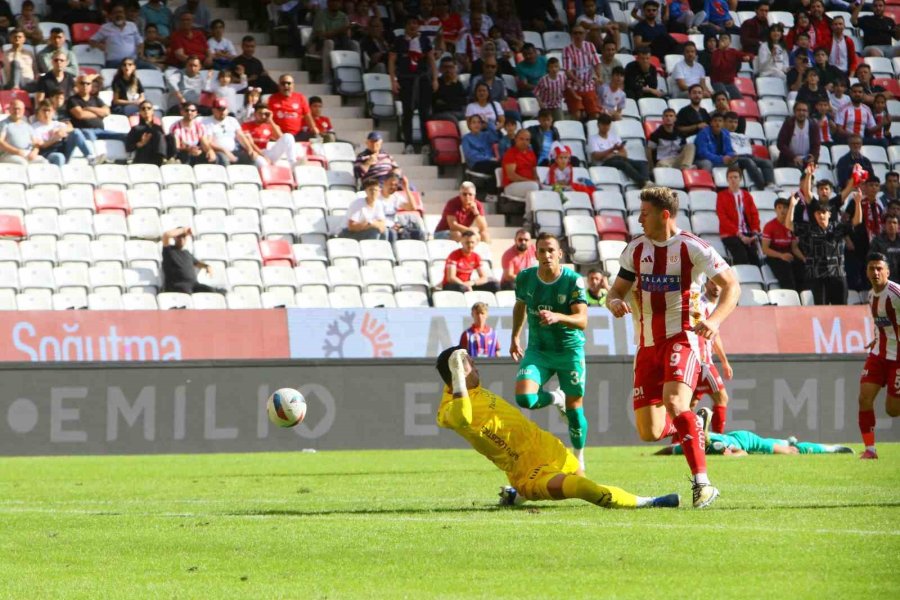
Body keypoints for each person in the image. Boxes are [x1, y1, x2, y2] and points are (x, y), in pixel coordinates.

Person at [606, 186, 740, 508]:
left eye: (645, 213)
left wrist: (716, 321)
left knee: (676, 401)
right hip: (646, 345)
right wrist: (613, 302)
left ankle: (703, 485)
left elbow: (731, 285)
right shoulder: (635, 250)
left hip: (682, 337)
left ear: (664, 215)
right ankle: (695, 423)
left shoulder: (693, 248)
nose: (639, 219)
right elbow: (617, 290)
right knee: (649, 432)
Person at [436, 346, 680, 508]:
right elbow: (464, 418)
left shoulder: (477, 390)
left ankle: (514, 496)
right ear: (457, 373)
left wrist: (461, 377)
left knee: (585, 481)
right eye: (470, 365)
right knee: (582, 487)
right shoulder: (448, 409)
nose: (477, 367)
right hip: (529, 473)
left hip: (549, 448)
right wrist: (458, 379)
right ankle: (650, 502)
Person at [509, 233, 589, 469]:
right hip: (539, 349)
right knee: (525, 398)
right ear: (535, 254)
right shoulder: (525, 278)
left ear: (560, 254)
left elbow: (582, 320)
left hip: (568, 351)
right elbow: (520, 306)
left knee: (575, 413)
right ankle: (556, 397)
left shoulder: (572, 280)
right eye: (542, 251)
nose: (546, 255)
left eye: (551, 250)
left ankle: (579, 456)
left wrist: (558, 317)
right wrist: (515, 336)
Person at [857, 252, 900, 460]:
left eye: (879, 268)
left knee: (892, 410)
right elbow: (881, 322)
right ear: (866, 272)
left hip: (898, 358)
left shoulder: (896, 294)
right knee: (864, 398)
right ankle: (870, 450)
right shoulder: (870, 294)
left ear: (887, 272)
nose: (875, 272)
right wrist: (876, 338)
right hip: (878, 354)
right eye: (872, 268)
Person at [787, 192, 861, 305]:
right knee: (822, 310)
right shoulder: (809, 229)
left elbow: (857, 221)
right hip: (818, 276)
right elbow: (789, 225)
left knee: (841, 309)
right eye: (817, 213)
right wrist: (792, 205)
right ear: (814, 215)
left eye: (823, 213)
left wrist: (858, 203)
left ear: (829, 214)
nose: (821, 215)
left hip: (838, 275)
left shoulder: (838, 228)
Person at [389, 17, 437, 154]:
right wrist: (393, 80)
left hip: (422, 80)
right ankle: (408, 143)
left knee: (424, 112)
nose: (413, 25)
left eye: (415, 23)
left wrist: (435, 79)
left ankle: (425, 144)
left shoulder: (424, 40)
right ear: (406, 26)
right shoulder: (399, 40)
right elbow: (392, 60)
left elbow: (431, 60)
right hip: (405, 80)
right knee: (407, 112)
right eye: (410, 23)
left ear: (419, 26)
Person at [657, 430, 853, 455]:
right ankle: (787, 439)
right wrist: (650, 455)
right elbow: (670, 450)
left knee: (791, 452)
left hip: (746, 441)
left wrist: (731, 457)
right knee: (783, 443)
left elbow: (741, 453)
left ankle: (831, 449)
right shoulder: (691, 444)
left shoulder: (714, 445)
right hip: (735, 436)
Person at [717, 165, 762, 266]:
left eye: (735, 177)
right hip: (730, 234)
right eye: (730, 177)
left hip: (748, 232)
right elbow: (723, 219)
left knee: (755, 259)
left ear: (740, 179)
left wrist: (755, 231)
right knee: (742, 257)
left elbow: (754, 214)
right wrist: (740, 236)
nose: (733, 180)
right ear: (727, 179)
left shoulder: (746, 195)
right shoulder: (721, 196)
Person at [590, 114, 649, 188]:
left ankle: (646, 182)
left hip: (616, 158)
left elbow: (624, 154)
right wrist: (612, 149)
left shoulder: (614, 137)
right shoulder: (593, 139)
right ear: (598, 125)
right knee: (623, 164)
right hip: (604, 163)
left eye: (607, 125)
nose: (606, 127)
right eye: (603, 125)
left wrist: (613, 155)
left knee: (642, 163)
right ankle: (643, 182)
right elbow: (596, 156)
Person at [161, 227, 224, 294]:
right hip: (178, 285)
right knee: (189, 295)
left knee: (212, 291)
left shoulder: (187, 253)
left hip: (194, 285)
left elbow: (197, 263)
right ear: (174, 238)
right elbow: (166, 235)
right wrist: (184, 230)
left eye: (184, 237)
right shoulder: (169, 251)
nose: (182, 239)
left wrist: (207, 266)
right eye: (179, 236)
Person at [90, 4, 154, 70]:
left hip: (132, 61)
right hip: (114, 63)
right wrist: (100, 46)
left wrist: (140, 50)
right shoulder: (105, 28)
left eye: (121, 12)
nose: (118, 15)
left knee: (151, 68)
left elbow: (140, 42)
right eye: (115, 13)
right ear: (111, 15)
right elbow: (92, 41)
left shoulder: (132, 26)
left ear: (125, 14)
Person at [762, 197, 805, 292]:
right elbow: (765, 249)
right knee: (786, 272)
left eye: (785, 207)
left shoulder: (791, 226)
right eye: (779, 207)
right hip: (774, 256)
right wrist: (781, 256)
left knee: (802, 269)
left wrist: (803, 258)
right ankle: (790, 298)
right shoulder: (769, 226)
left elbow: (794, 248)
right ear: (775, 210)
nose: (782, 210)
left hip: (788, 253)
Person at [240, 103, 300, 169]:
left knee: (288, 136)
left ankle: (293, 163)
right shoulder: (246, 125)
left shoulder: (269, 126)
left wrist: (271, 120)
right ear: (255, 113)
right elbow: (250, 144)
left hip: (266, 152)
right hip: (254, 153)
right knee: (264, 164)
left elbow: (282, 138)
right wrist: (264, 157)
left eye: (265, 114)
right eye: (260, 113)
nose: (263, 116)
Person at [309, 0, 354, 85]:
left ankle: (356, 75)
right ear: (328, 3)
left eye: (338, 2)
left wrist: (348, 30)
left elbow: (348, 36)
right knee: (329, 42)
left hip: (338, 44)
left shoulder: (343, 16)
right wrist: (341, 30)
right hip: (317, 46)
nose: (335, 3)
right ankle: (326, 77)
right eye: (333, 1)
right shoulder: (321, 15)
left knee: (354, 44)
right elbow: (321, 35)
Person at [562, 25, 602, 121]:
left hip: (588, 85)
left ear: (585, 34)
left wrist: (599, 76)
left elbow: (597, 63)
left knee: (595, 114)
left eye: (580, 33)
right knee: (577, 115)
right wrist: (576, 80)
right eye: (575, 33)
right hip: (573, 86)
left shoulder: (590, 46)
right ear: (572, 35)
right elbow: (568, 71)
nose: (578, 35)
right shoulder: (567, 50)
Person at [268, 74, 317, 140]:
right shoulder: (272, 99)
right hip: (280, 135)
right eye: (283, 83)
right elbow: (269, 119)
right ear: (279, 86)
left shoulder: (300, 97)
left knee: (318, 138)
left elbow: (307, 115)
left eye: (288, 83)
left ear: (293, 85)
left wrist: (313, 127)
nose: (286, 86)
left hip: (298, 134)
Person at [379, 174, 426, 241]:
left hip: (395, 228)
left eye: (395, 185)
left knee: (419, 234)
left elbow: (412, 207)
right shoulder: (376, 196)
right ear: (384, 182)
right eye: (391, 184)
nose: (393, 187)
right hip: (382, 228)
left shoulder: (396, 196)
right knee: (392, 233)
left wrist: (406, 188)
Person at [776, 101, 820, 169]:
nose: (801, 113)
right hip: (789, 160)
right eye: (799, 110)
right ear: (794, 112)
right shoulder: (788, 123)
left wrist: (812, 156)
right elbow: (780, 144)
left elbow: (816, 145)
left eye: (804, 110)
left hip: (807, 161)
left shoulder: (813, 125)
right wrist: (793, 157)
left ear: (808, 113)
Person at [0, 100, 47, 165]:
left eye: (19, 109)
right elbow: (1, 142)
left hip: (27, 154)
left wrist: (34, 152)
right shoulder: (3, 124)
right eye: (14, 109)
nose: (17, 111)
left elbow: (36, 143)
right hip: (9, 154)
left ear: (23, 110)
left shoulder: (27, 126)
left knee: (43, 162)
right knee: (22, 163)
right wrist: (16, 151)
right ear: (10, 109)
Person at [202, 98, 245, 166]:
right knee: (224, 159)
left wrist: (250, 150)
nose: (222, 112)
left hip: (234, 150)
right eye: (219, 109)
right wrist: (224, 150)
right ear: (213, 110)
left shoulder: (232, 120)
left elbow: (241, 136)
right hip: (218, 151)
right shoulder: (206, 121)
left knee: (250, 158)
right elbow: (208, 142)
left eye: (224, 109)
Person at [126, 100, 172, 166]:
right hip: (144, 156)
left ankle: (168, 158)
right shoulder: (136, 129)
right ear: (140, 112)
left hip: (157, 155)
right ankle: (163, 159)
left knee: (170, 137)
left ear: (152, 111)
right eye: (143, 108)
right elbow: (128, 147)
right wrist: (141, 143)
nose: (146, 110)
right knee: (158, 134)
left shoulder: (158, 127)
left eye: (149, 108)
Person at [501, 129, 540, 200]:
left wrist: (538, 181)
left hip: (529, 184)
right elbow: (511, 176)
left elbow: (535, 173)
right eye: (521, 139)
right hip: (512, 185)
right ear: (516, 139)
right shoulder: (510, 153)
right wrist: (530, 181)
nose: (524, 142)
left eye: (527, 140)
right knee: (533, 187)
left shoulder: (531, 154)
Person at [710, 33, 749, 100]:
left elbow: (748, 55)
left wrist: (747, 57)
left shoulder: (733, 52)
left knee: (739, 99)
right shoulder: (716, 52)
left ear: (730, 41)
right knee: (724, 97)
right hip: (717, 81)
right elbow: (715, 65)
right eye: (721, 39)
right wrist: (720, 50)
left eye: (725, 38)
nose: (723, 40)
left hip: (730, 82)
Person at [431, 58, 467, 123]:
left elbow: (463, 101)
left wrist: (447, 102)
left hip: (457, 112)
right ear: (440, 69)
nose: (448, 70)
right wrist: (451, 102)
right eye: (445, 67)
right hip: (440, 114)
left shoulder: (458, 84)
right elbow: (436, 104)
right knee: (453, 120)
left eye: (450, 67)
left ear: (454, 68)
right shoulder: (436, 84)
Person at [532, 57, 567, 122]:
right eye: (551, 67)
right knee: (547, 122)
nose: (554, 69)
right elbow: (536, 92)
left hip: (557, 105)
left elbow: (565, 89)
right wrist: (540, 103)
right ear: (548, 68)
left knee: (560, 122)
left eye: (556, 66)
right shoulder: (543, 80)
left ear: (559, 67)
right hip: (545, 106)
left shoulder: (563, 77)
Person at [870, 216, 900, 283]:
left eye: (894, 223)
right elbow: (871, 261)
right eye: (889, 222)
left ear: (898, 226)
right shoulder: (877, 241)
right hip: (882, 281)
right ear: (884, 226)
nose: (892, 225)